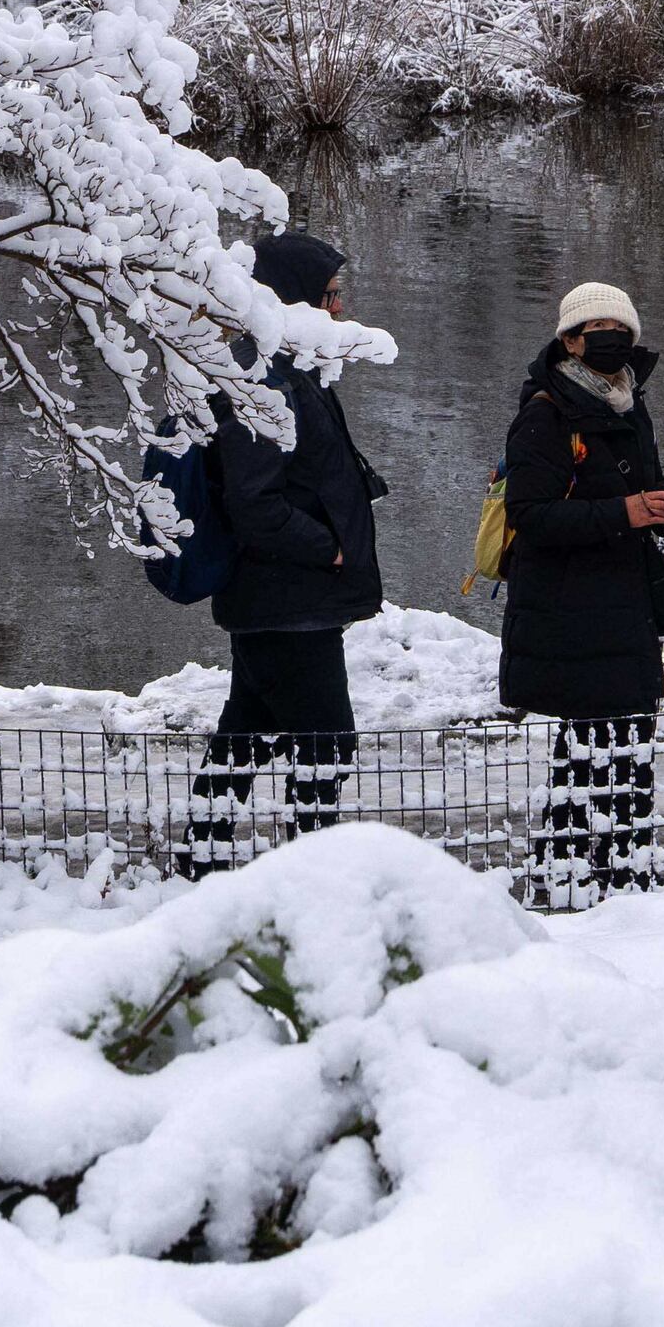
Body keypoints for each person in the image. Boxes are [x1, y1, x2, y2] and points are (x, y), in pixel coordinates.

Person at [190, 229, 385, 862]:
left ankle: (204, 854)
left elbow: (299, 474)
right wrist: (326, 547)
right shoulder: (264, 380)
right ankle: (311, 870)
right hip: (287, 600)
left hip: (286, 600)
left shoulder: (297, 371)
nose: (340, 309)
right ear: (295, 298)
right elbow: (256, 502)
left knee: (248, 730)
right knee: (328, 742)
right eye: (329, 296)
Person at [500, 281, 664, 900]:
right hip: (570, 613)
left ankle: (627, 878)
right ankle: (565, 882)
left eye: (621, 331)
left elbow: (644, 487)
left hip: (625, 608)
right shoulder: (544, 415)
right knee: (584, 752)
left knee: (630, 746)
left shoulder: (631, 405)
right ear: (569, 341)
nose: (610, 341)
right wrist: (625, 513)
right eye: (596, 331)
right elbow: (529, 517)